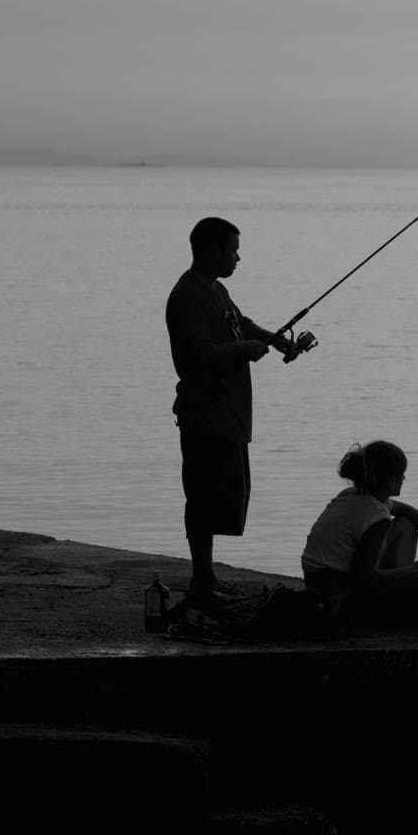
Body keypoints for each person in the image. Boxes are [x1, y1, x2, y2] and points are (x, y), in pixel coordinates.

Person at [165, 216, 313, 601]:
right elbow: (194, 358)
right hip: (205, 414)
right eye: (233, 250)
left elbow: (239, 324)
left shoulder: (215, 290)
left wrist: (275, 341)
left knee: (225, 496)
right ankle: (202, 579)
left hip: (229, 413)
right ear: (213, 252)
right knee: (202, 497)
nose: (238, 258)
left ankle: (208, 577)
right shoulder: (187, 295)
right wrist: (244, 351)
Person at [300, 440, 418, 627]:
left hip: (321, 580)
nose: (404, 479)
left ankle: (409, 607)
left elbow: (407, 512)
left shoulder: (352, 493)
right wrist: (411, 570)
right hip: (339, 594)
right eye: (401, 475)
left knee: (406, 524)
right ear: (388, 479)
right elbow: (365, 577)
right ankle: (403, 613)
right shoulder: (376, 517)